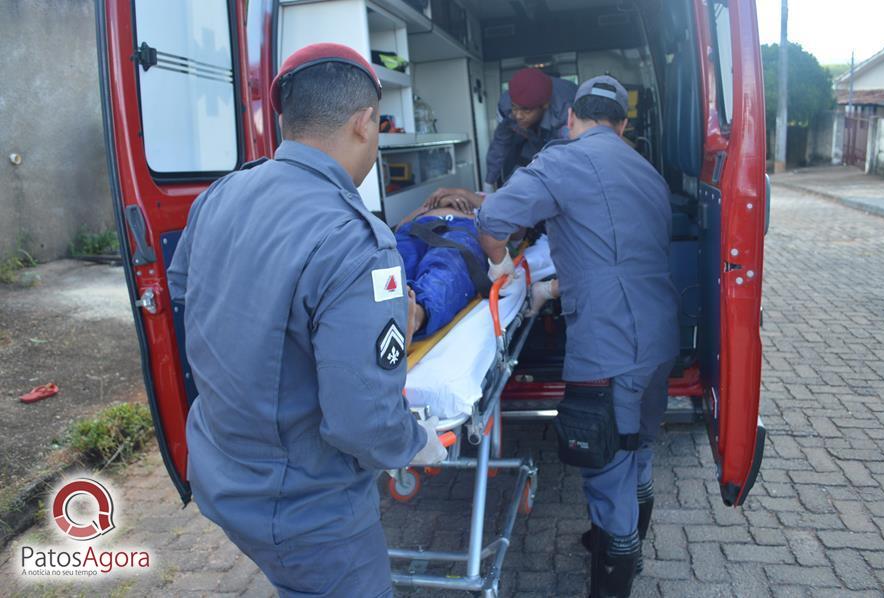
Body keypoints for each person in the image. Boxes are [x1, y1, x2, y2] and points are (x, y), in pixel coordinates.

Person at [167, 43, 447, 598]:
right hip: (303, 511)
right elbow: (360, 421)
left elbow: (184, 291)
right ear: (365, 123)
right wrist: (414, 443)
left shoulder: (221, 195)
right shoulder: (356, 241)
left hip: (220, 473)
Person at [475, 75, 678, 598]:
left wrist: (501, 265)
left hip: (610, 344)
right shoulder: (647, 173)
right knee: (638, 447)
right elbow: (619, 257)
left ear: (569, 118)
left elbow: (493, 215)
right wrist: (551, 287)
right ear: (624, 124)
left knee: (607, 466)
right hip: (659, 340)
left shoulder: (564, 159)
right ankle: (613, 542)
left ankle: (616, 554)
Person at [394, 194, 488, 338]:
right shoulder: (431, 204)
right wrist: (429, 207)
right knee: (394, 259)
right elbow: (399, 227)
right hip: (416, 228)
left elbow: (511, 228)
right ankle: (379, 307)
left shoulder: (487, 203)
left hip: (460, 228)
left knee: (447, 262)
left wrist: (458, 191)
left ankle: (416, 314)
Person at [484, 67, 576, 189]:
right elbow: (500, 142)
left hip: (559, 140)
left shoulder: (565, 112)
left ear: (544, 105)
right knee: (516, 177)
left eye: (526, 110)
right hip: (531, 140)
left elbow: (572, 159)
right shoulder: (506, 105)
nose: (518, 115)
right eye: (515, 107)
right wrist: (488, 183)